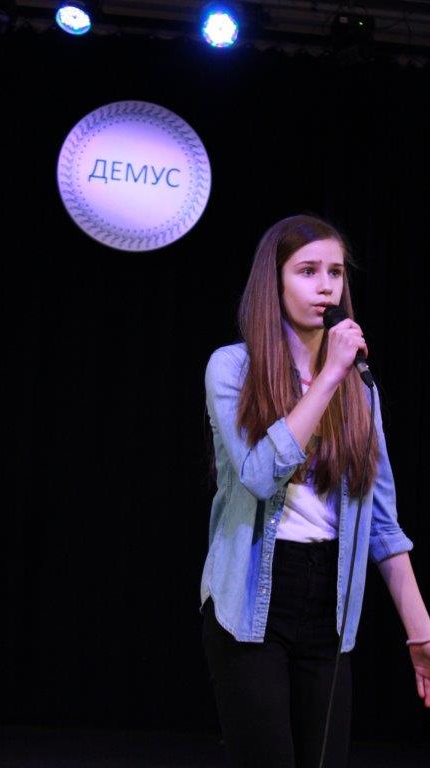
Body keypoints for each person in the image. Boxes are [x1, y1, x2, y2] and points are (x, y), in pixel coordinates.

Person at [200, 214, 430, 768]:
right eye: (307, 271)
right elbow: (259, 476)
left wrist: (419, 629)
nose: (326, 286)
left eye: (335, 272)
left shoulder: (361, 390)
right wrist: (328, 377)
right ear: (274, 282)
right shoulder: (233, 368)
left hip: (330, 601)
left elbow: (382, 523)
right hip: (252, 597)